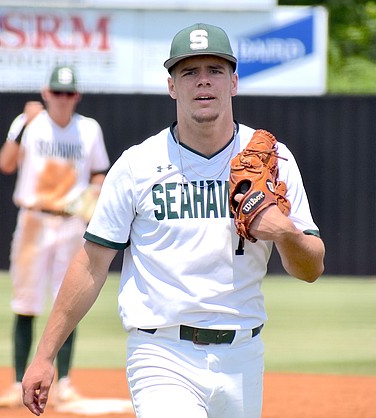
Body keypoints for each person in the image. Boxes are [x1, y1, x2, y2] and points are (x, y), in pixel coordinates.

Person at [21, 23, 325, 418]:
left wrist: (283, 232)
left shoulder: (272, 160)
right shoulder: (137, 165)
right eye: (189, 72)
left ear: (233, 82)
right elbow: (91, 264)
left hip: (244, 355)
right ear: (172, 86)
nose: (203, 82)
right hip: (161, 352)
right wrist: (45, 355)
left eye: (214, 70)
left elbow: (311, 268)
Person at [0, 65, 111, 408]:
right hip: (34, 220)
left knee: (68, 300)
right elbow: (5, 163)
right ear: (46, 93)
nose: (62, 99)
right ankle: (19, 382)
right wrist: (21, 127)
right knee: (26, 302)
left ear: (76, 96)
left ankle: (66, 383)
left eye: (68, 93)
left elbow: (99, 172)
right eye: (56, 92)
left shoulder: (88, 129)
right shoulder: (29, 123)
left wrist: (93, 193)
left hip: (71, 221)